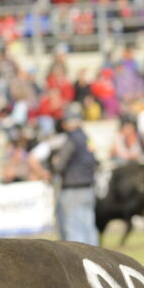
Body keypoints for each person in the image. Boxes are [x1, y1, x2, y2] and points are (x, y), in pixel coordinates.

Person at [51, 105, 99, 245]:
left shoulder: (72, 139)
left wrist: (55, 161)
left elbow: (59, 164)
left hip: (72, 189)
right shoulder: (86, 138)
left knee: (74, 229)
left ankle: (78, 264)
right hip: (88, 187)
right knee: (89, 227)